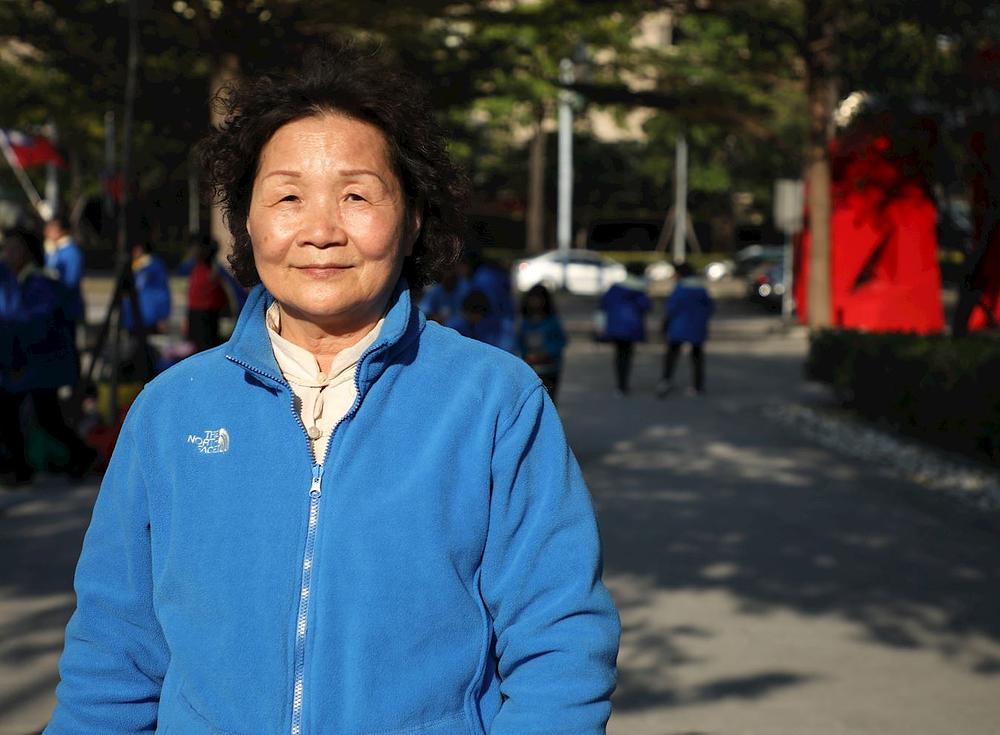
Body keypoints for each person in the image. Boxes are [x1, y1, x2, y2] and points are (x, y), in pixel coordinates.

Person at [45, 46, 619, 735]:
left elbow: (560, 643)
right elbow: (112, 655)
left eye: (356, 195)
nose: (320, 231)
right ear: (248, 221)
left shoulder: (496, 402)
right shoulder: (170, 413)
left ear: (410, 220)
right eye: (287, 196)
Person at [0, 227, 97, 485]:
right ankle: (26, 466)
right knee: (37, 415)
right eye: (5, 248)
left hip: (40, 364)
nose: (7, 254)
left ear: (28, 253)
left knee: (39, 416)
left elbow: (31, 326)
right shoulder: (16, 281)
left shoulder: (39, 283)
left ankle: (78, 456)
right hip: (28, 363)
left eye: (13, 248)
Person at [658, 261, 715, 396]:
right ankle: (698, 386)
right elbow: (710, 308)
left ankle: (666, 380)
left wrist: (665, 324)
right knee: (697, 356)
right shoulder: (701, 288)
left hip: (679, 326)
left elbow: (672, 308)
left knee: (672, 355)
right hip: (697, 327)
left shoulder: (680, 288)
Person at [599, 261, 651, 395]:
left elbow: (604, 304)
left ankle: (620, 385)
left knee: (619, 355)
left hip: (616, 327)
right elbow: (646, 307)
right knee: (627, 355)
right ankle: (624, 384)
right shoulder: (641, 290)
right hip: (633, 328)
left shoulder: (616, 287)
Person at [177, 234, 229, 351]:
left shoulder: (214, 271)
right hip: (198, 316)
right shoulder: (195, 268)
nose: (192, 252)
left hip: (208, 317)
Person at [517, 284, 567, 401]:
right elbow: (520, 342)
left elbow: (561, 341)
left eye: (539, 299)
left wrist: (547, 353)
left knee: (549, 399)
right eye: (533, 299)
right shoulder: (525, 322)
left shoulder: (552, 321)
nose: (535, 302)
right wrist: (527, 355)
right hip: (531, 368)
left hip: (550, 368)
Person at [121, 239, 172, 334]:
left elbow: (162, 292)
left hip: (147, 317)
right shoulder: (132, 266)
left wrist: (162, 316)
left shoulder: (154, 266)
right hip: (134, 317)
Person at [43, 213, 86, 325]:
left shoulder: (71, 252)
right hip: (53, 309)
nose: (47, 231)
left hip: (67, 310)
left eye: (52, 227)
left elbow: (70, 282)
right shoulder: (51, 249)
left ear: (63, 230)